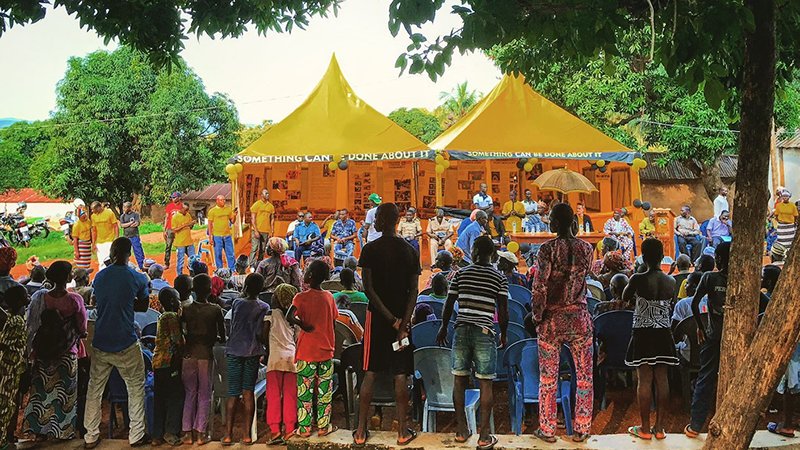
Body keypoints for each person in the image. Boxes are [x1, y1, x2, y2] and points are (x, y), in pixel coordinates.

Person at [353, 203, 420, 446]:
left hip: (377, 320)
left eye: (378, 216)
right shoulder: (410, 250)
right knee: (400, 373)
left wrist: (389, 319)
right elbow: (414, 290)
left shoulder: (370, 249)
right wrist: (403, 322)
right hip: (402, 320)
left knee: (370, 371)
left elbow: (368, 289)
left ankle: (360, 431)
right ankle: (403, 430)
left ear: (383, 220)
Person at [437, 235, 508, 449]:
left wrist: (443, 326)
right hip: (485, 332)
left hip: (461, 330)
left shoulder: (461, 274)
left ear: (475, 253)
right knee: (485, 382)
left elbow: (449, 304)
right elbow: (503, 311)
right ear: (491, 254)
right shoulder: (499, 278)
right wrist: (503, 333)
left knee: (459, 380)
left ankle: (461, 430)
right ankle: (484, 436)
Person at [531, 203, 594, 443]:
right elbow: (583, 274)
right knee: (584, 376)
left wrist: (537, 316)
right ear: (574, 223)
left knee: (548, 378)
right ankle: (582, 427)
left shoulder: (547, 250)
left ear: (554, 224)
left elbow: (540, 287)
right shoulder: (587, 249)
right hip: (579, 318)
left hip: (551, 320)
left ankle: (547, 429)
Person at [83, 238, 150, 448]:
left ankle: (90, 435)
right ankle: (136, 435)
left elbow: (96, 301)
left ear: (112, 253)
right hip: (126, 341)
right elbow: (143, 306)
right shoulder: (137, 278)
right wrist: (128, 302)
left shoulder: (100, 277)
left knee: (95, 389)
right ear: (129, 254)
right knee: (135, 387)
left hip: (101, 340)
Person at [623, 239, 678, 440]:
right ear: (662, 257)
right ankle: (660, 428)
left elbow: (624, 296)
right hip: (663, 331)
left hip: (643, 331)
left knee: (644, 379)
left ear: (643, 257)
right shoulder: (671, 281)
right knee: (662, 378)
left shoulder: (637, 278)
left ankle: (645, 428)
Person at [286, 260, 338, 438]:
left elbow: (289, 315)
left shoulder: (300, 297)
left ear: (311, 275)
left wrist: (303, 324)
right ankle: (324, 426)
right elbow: (333, 320)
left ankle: (304, 428)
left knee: (304, 392)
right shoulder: (329, 297)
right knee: (324, 391)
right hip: (326, 350)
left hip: (306, 352)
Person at [685, 242, 730, 438]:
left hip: (713, 336)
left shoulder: (709, 278)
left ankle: (695, 425)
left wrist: (700, 328)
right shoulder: (744, 278)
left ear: (718, 260)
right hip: (737, 338)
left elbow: (695, 304)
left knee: (706, 378)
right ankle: (730, 422)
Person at [223, 273, 269, 445]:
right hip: (252, 352)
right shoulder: (263, 306)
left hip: (234, 351)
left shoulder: (237, 303)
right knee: (248, 392)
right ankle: (246, 435)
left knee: (233, 393)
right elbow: (259, 333)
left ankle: (227, 435)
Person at [181, 273, 225, 445]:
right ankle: (200, 433)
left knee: (190, 393)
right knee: (205, 394)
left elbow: (181, 332)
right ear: (209, 290)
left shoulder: (186, 309)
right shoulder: (215, 310)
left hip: (188, 355)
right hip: (205, 355)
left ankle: (186, 433)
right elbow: (223, 336)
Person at [263, 284, 298, 444]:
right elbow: (297, 338)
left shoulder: (270, 313)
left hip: (274, 359)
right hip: (292, 359)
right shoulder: (295, 317)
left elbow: (264, 335)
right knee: (291, 395)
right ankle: (290, 429)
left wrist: (266, 351)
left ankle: (275, 431)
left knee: (273, 396)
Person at [151, 288, 185, 447]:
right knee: (174, 397)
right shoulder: (171, 317)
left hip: (158, 363)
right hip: (169, 362)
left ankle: (156, 435)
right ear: (172, 301)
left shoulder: (162, 316)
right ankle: (170, 432)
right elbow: (177, 340)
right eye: (178, 299)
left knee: (160, 398)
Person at [207, 195, 237, 270]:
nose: (223, 201)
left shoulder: (228, 210)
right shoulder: (212, 211)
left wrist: (235, 215)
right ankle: (220, 270)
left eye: (224, 200)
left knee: (230, 254)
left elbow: (232, 222)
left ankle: (232, 269)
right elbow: (210, 225)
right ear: (217, 201)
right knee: (218, 254)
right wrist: (210, 237)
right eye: (221, 200)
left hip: (227, 236)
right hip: (217, 236)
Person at [249, 189, 276, 268]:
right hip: (256, 230)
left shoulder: (271, 206)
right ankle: (252, 265)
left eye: (268, 193)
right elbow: (252, 219)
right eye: (266, 193)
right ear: (261, 195)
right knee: (254, 248)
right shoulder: (256, 205)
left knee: (263, 249)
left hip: (266, 231)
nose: (268, 195)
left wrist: (272, 230)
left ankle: (259, 264)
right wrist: (256, 230)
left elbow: (272, 219)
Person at [90, 201, 119, 271]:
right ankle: (102, 275)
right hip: (99, 242)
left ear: (99, 207)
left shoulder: (109, 213)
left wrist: (116, 238)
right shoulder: (93, 216)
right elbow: (94, 230)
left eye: (93, 209)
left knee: (111, 259)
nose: (92, 211)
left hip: (110, 240)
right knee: (101, 261)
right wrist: (93, 243)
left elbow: (115, 226)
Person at [170, 201, 196, 276]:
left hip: (189, 241)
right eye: (185, 210)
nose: (187, 211)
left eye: (187, 209)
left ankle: (193, 274)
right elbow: (174, 230)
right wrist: (185, 225)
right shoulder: (175, 217)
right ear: (181, 209)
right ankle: (179, 275)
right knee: (180, 260)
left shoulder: (188, 215)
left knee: (193, 259)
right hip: (180, 242)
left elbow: (190, 227)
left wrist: (192, 224)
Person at [120, 201, 145, 270]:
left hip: (134, 236)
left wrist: (128, 224)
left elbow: (136, 223)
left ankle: (142, 266)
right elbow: (122, 225)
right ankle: (125, 266)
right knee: (125, 252)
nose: (124, 209)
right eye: (123, 207)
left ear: (130, 207)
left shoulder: (135, 215)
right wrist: (130, 223)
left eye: (125, 207)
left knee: (138, 251)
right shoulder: (122, 216)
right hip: (126, 236)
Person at [163, 192, 183, 269]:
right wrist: (164, 230)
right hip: (170, 229)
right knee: (168, 246)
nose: (173, 199)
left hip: (179, 229)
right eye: (172, 197)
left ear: (179, 198)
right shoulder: (169, 206)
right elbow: (167, 217)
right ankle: (166, 263)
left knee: (182, 246)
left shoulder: (182, 206)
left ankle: (189, 261)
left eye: (174, 197)